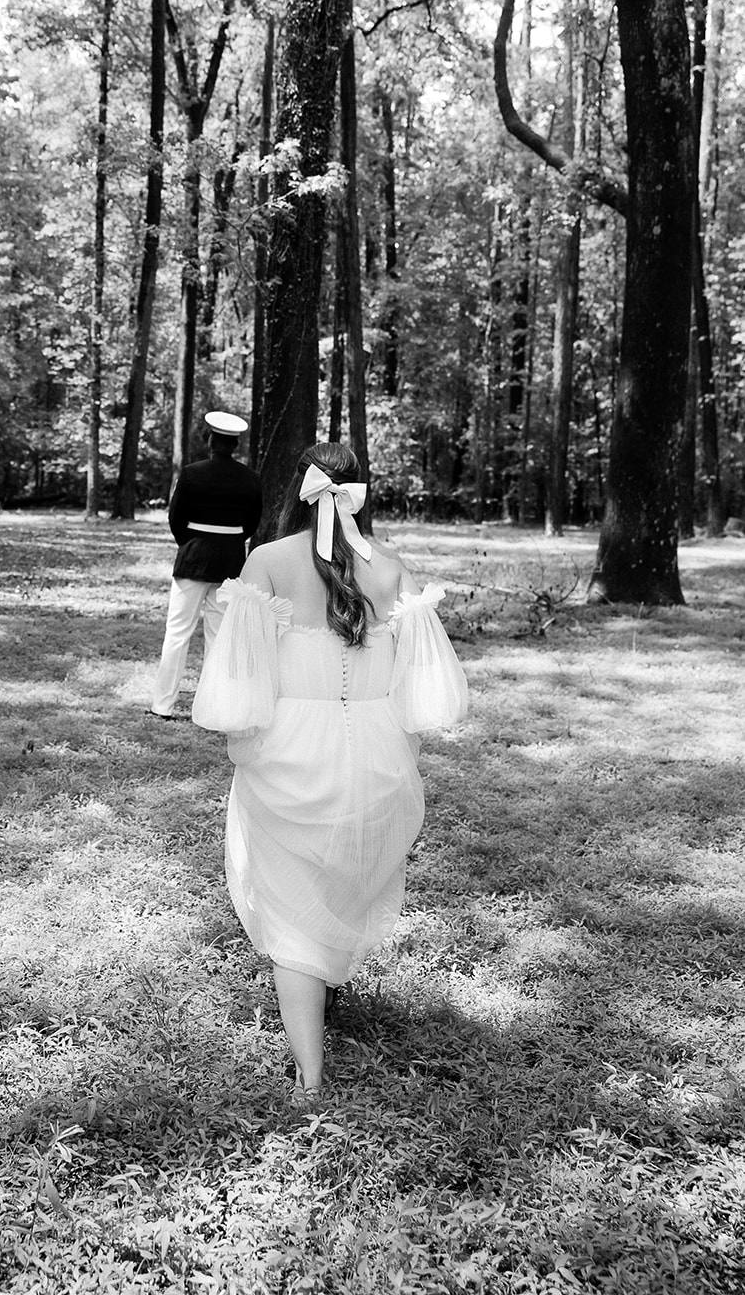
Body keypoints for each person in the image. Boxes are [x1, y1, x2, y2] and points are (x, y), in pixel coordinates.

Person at [191, 441, 468, 1104]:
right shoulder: (390, 568)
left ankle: (310, 1079)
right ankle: (323, 994)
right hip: (375, 745)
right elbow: (419, 684)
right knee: (342, 879)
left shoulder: (267, 562)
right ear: (358, 493)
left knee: (293, 908)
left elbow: (241, 669)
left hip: (293, 742)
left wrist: (246, 737)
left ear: (300, 490)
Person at [149, 410, 263, 719]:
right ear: (235, 445)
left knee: (177, 633)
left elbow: (176, 518)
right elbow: (251, 524)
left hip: (194, 558)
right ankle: (214, 706)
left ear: (211, 440)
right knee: (218, 636)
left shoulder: (191, 472)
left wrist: (192, 542)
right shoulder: (251, 478)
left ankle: (163, 706)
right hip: (231, 559)